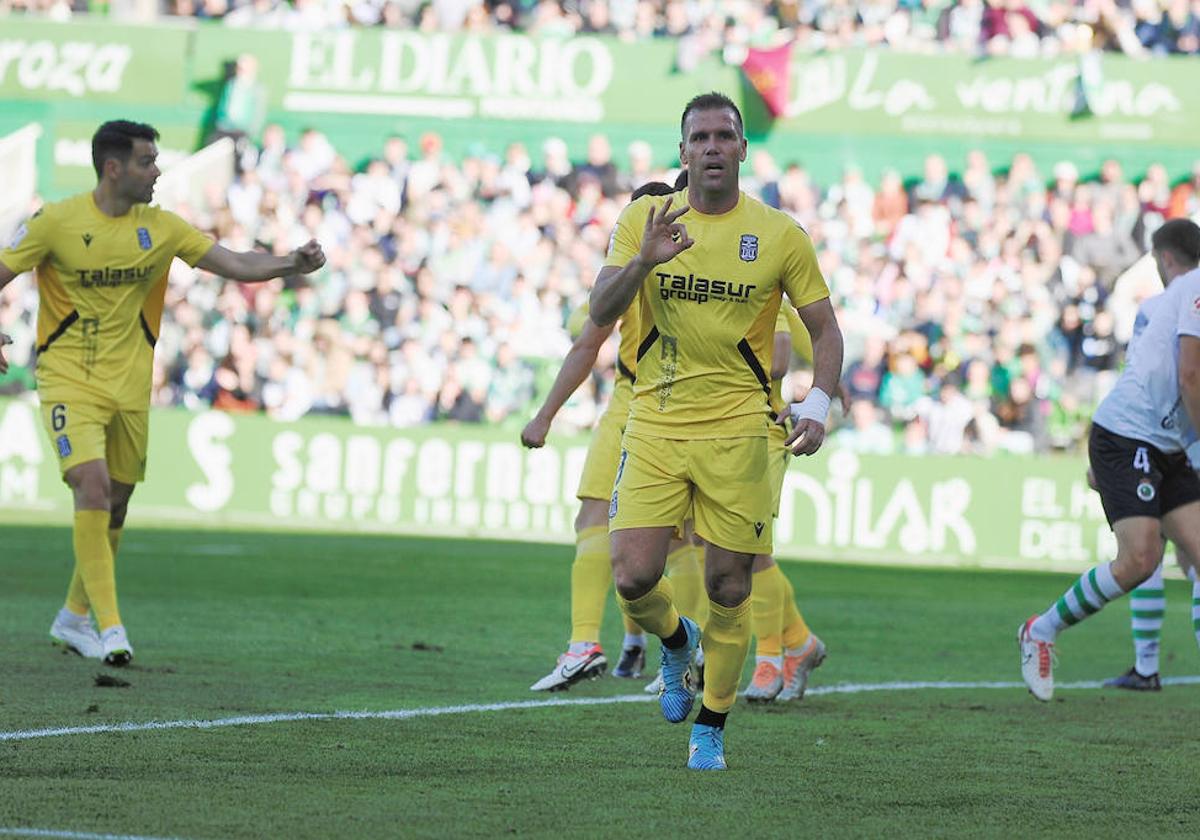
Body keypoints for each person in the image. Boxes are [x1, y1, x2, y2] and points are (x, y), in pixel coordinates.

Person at [0, 120, 326, 666]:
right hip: (66, 380)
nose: (157, 171)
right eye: (147, 161)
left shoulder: (164, 228)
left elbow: (236, 264)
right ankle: (110, 629)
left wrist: (291, 263)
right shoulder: (54, 222)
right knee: (92, 487)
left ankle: (73, 616)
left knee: (117, 502)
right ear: (113, 168)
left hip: (130, 387)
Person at [590, 92, 843, 769]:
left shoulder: (779, 234)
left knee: (732, 586)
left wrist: (817, 401)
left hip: (740, 433)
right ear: (682, 152)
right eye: (698, 136)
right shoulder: (645, 218)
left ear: (741, 149)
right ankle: (676, 643)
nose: (710, 147)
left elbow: (825, 329)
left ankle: (711, 726)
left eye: (722, 136)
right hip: (656, 423)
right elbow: (600, 309)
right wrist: (644, 260)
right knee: (634, 576)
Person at [522, 180, 709, 691]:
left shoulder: (666, 266)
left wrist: (544, 416)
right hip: (635, 401)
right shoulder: (643, 267)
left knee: (673, 541)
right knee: (612, 522)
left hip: (675, 406)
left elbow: (586, 337)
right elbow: (589, 335)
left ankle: (683, 650)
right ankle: (594, 644)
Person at [1018, 218, 1200, 701]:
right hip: (1131, 437)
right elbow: (1190, 376)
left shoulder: (1166, 300)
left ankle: (1145, 667)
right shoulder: (1194, 290)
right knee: (1141, 559)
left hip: (1170, 442)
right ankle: (1040, 629)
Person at [744, 305, 835, 703]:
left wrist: (824, 390)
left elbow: (784, 352)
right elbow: (812, 337)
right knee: (707, 545)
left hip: (757, 430)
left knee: (748, 551)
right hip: (703, 430)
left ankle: (769, 658)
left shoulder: (759, 264)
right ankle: (799, 644)